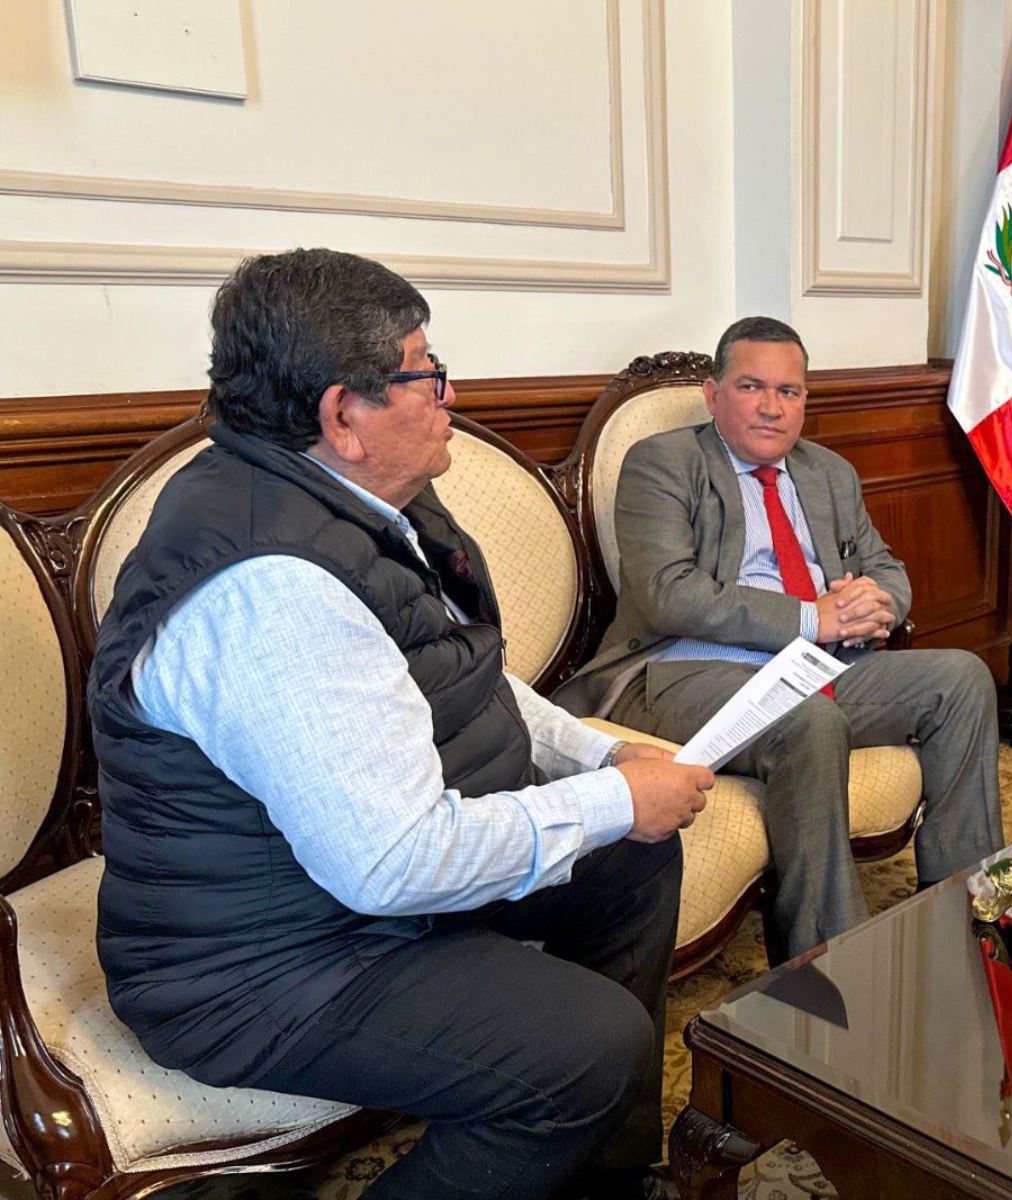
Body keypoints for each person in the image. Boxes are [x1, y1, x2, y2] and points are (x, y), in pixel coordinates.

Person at [89, 248, 715, 1200]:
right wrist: (611, 798)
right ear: (344, 415)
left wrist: (602, 760)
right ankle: (563, 1113)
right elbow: (391, 864)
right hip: (258, 967)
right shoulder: (275, 591)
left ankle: (597, 1171)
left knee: (630, 858)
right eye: (427, 371)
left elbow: (469, 679)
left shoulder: (353, 498)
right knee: (591, 1047)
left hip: (338, 889)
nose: (450, 393)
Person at [553, 316, 1005, 962]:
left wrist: (874, 603)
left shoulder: (828, 474)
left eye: (789, 392)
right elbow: (666, 593)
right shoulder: (663, 463)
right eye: (751, 387)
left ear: (805, 401)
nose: (771, 407)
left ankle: (964, 907)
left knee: (961, 678)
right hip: (681, 672)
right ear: (713, 395)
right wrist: (810, 618)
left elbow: (888, 570)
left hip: (817, 664)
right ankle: (824, 960)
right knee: (809, 721)